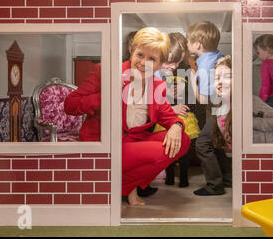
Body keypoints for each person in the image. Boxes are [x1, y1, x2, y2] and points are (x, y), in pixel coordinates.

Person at [64, 27, 191, 206]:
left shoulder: (157, 85)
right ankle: (127, 190)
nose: (143, 63)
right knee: (158, 151)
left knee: (183, 140)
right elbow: (70, 105)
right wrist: (106, 97)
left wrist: (176, 126)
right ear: (132, 51)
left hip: (134, 142)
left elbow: (168, 116)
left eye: (152, 59)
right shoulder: (106, 71)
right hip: (107, 144)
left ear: (160, 64)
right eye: (140, 54)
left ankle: (120, 186)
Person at [186, 21, 229, 196]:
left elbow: (203, 99)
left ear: (197, 45)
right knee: (216, 144)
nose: (187, 44)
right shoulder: (219, 56)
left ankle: (214, 185)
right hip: (225, 106)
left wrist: (191, 77)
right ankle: (227, 179)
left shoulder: (203, 67)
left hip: (216, 108)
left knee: (203, 144)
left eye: (188, 41)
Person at [211, 56, 273, 153]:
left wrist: (250, 122)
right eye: (217, 78)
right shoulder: (219, 108)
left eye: (228, 77)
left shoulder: (250, 102)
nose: (220, 82)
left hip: (268, 157)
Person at [154, 32, 201, 187]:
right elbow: (149, 102)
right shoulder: (151, 72)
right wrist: (170, 107)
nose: (174, 66)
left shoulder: (174, 72)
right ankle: (169, 178)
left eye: (177, 63)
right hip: (166, 116)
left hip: (179, 114)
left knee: (182, 148)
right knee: (169, 149)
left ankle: (182, 179)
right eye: (170, 62)